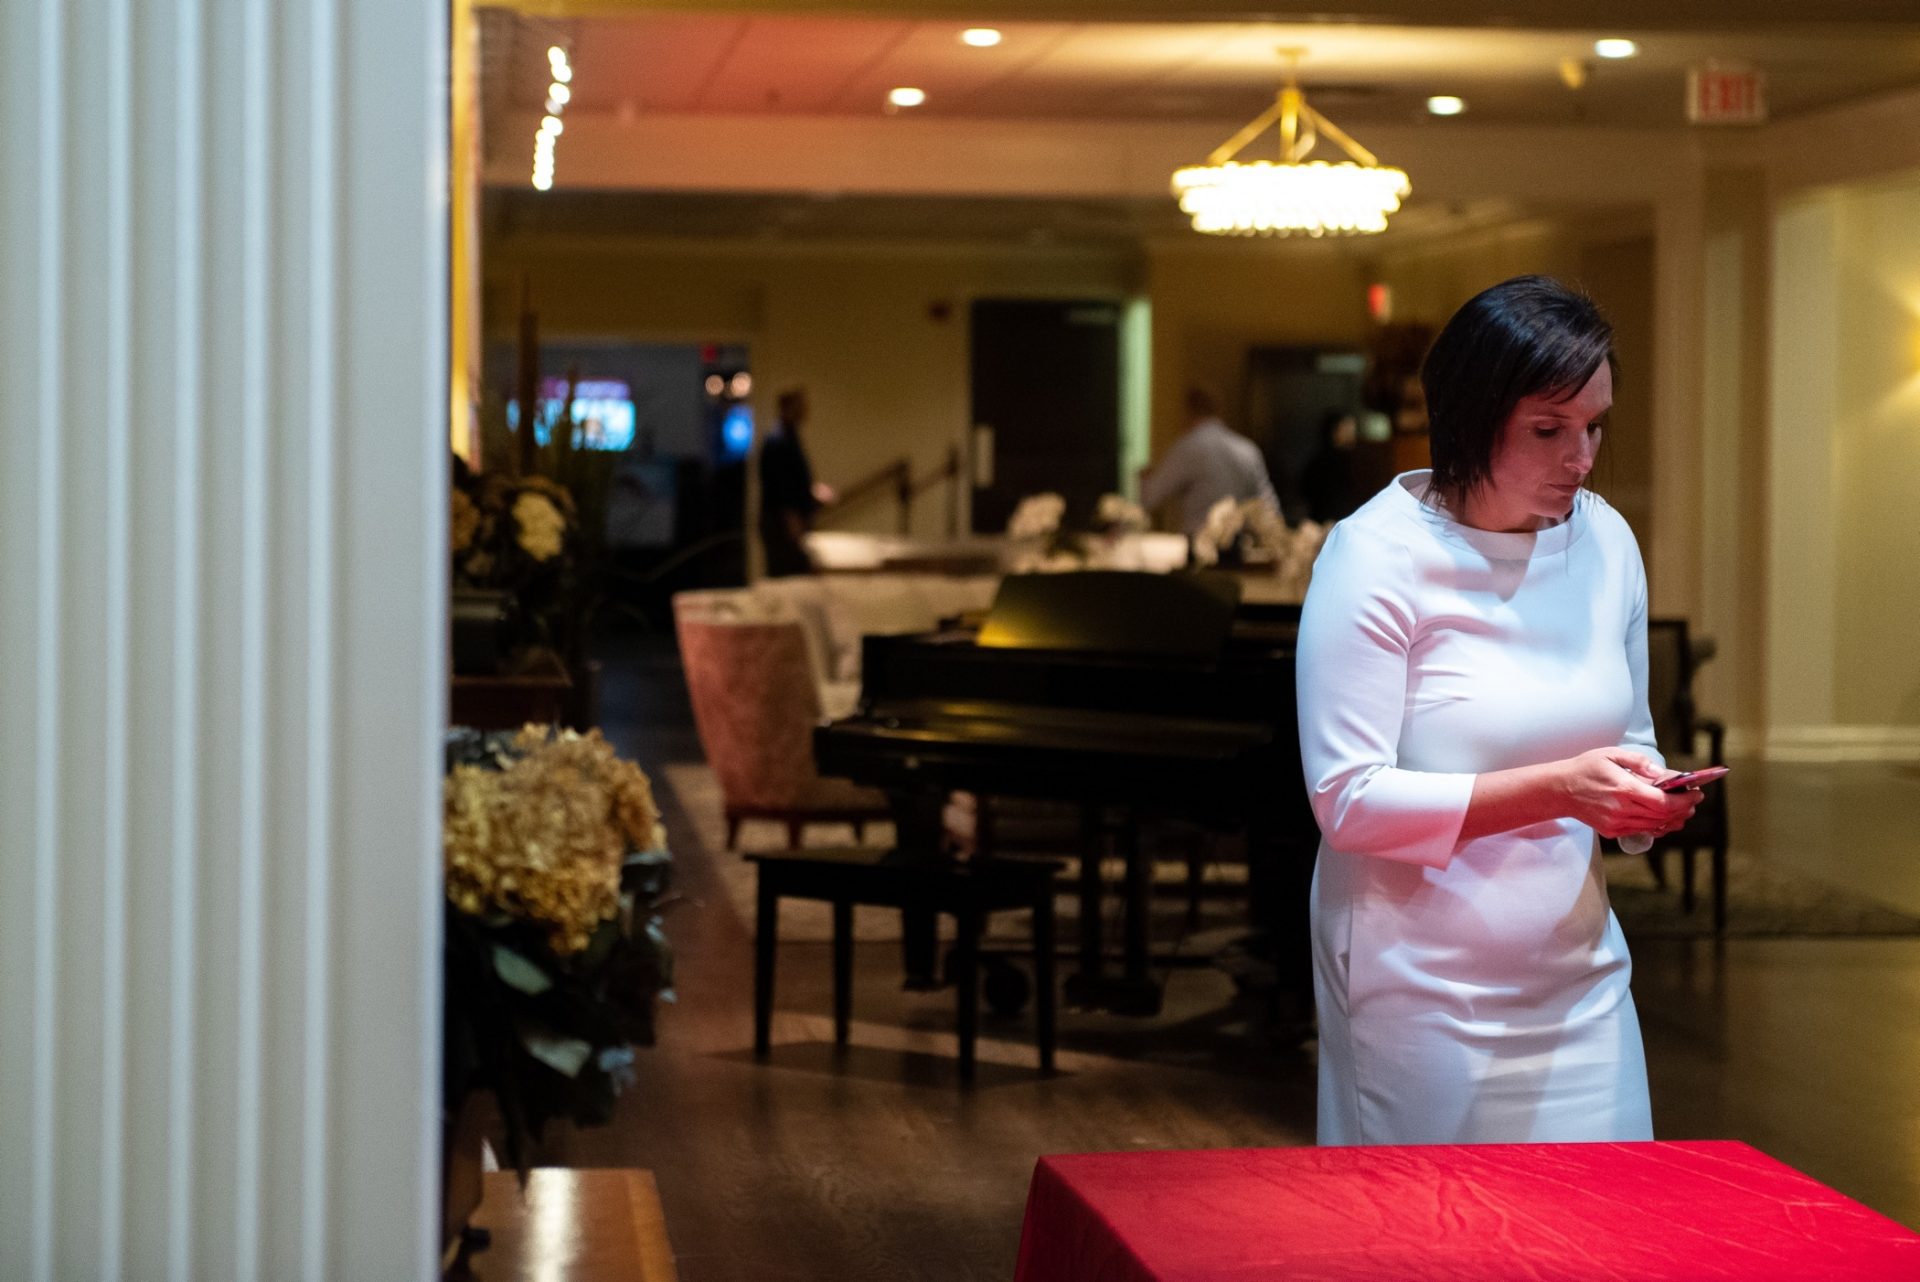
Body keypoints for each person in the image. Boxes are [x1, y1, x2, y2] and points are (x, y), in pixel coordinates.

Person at [1295, 275, 1702, 1146]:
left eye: (1595, 426)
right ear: (1471, 418)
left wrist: (1644, 798)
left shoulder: (1607, 541)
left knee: (1605, 1213)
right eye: (1549, 430)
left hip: (1578, 974)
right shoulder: (1375, 556)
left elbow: (1629, 736)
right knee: (1428, 1224)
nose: (1581, 458)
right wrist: (1562, 790)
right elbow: (1347, 801)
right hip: (1416, 984)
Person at [1140, 386, 1278, 538]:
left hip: (1200, 542)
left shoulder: (1189, 447)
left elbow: (1150, 497)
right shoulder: (1248, 449)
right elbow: (1269, 508)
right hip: (1242, 544)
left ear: (1188, 411)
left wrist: (1144, 479)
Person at [757, 387, 834, 577]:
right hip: (783, 524)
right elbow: (781, 486)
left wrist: (811, 491)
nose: (806, 409)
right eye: (802, 404)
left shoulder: (788, 435)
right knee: (788, 575)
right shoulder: (779, 439)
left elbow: (791, 479)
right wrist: (792, 519)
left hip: (787, 520)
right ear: (791, 406)